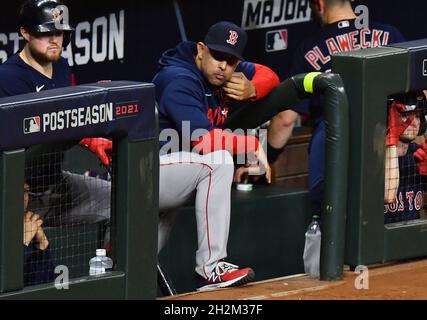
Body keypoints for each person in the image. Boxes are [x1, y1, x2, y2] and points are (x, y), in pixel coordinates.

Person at [153, 21, 280, 291]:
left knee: (137, 258)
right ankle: (211, 268)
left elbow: (270, 75)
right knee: (219, 160)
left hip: (178, 174)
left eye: (231, 61)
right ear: (201, 50)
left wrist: (252, 89)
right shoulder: (178, 79)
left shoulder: (223, 72)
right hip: (148, 173)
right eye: (218, 57)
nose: (224, 66)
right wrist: (252, 145)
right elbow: (205, 139)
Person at [267, 0, 405, 214]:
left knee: (332, 223)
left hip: (335, 148)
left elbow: (285, 120)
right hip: (386, 149)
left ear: (319, 4)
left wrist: (265, 158)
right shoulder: (390, 35)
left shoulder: (308, 49)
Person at [0, 0, 112, 226]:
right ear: (25, 32)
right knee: (33, 257)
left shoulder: (61, 65)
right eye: (45, 33)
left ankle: (116, 261)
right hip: (19, 194)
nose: (54, 39)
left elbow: (66, 116)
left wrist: (91, 140)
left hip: (56, 183)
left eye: (59, 32)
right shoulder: (8, 78)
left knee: (121, 200)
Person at [384, 92, 427, 224]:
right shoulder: (375, 156)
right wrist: (391, 137)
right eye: (405, 115)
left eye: (418, 116)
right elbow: (388, 196)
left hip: (409, 237)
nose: (414, 123)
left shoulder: (418, 154)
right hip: (379, 237)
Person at [23, 182, 55, 286]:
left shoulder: (26, 225)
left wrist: (42, 247)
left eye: (25, 191)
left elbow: (44, 285)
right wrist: (24, 242)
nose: (23, 198)